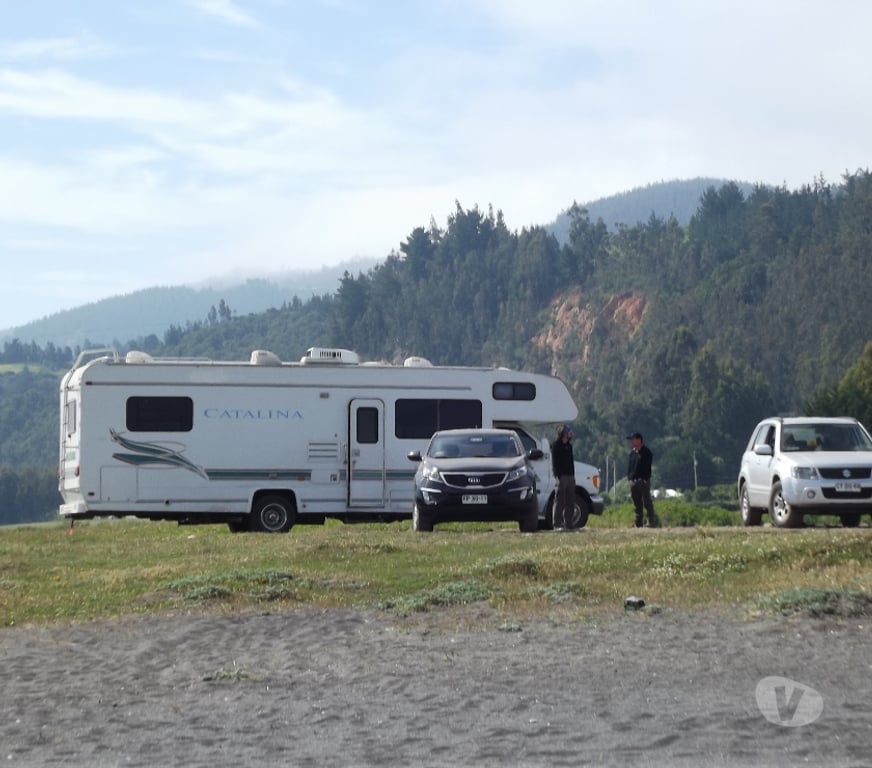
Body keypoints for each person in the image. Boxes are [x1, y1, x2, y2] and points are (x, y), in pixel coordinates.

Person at [626, 431, 659, 528]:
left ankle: (651, 521)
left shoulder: (646, 452)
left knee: (646, 501)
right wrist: (630, 478)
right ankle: (638, 522)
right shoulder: (632, 453)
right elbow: (630, 467)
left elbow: (648, 466)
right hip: (634, 481)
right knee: (637, 503)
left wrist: (645, 478)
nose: (631, 442)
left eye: (633, 439)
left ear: (639, 440)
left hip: (643, 480)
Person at [551, 424, 576, 530]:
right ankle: (557, 523)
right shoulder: (556, 445)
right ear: (563, 433)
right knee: (560, 501)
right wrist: (558, 476)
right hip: (561, 477)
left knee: (570, 501)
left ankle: (568, 524)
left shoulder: (569, 446)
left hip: (570, 476)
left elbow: (571, 462)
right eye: (569, 432)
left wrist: (573, 475)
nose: (570, 434)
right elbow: (555, 463)